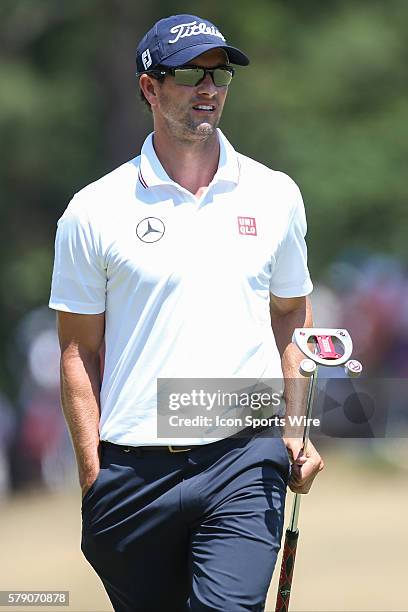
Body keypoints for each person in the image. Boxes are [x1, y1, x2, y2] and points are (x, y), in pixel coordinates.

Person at [49, 13, 324, 612]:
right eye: (188, 74)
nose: (209, 88)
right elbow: (79, 353)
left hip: (243, 456)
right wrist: (95, 478)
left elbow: (290, 319)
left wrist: (294, 432)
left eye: (218, 72)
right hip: (131, 476)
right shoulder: (92, 210)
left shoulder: (276, 195)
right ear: (149, 88)